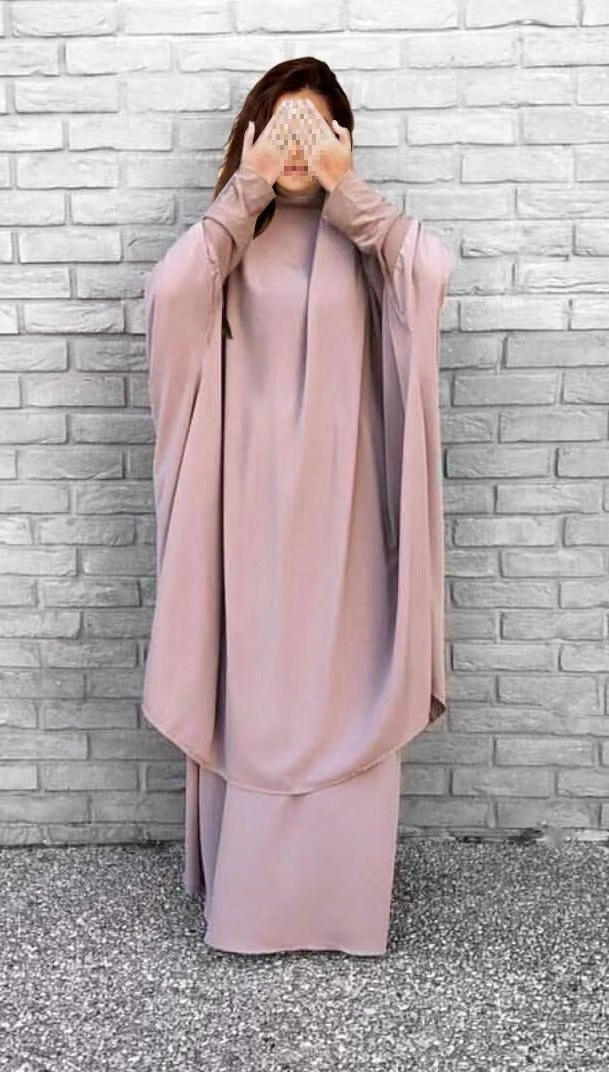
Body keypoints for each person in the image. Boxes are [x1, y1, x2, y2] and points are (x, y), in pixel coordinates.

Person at [141, 57, 454, 956]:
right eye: (280, 129)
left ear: (342, 140)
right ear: (249, 137)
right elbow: (169, 297)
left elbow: (431, 270)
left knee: (346, 682)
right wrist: (243, 194)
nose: (294, 150)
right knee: (260, 693)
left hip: (350, 511)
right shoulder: (229, 243)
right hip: (245, 510)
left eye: (312, 131)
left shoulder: (369, 242)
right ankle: (252, 905)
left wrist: (349, 192)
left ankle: (340, 905)